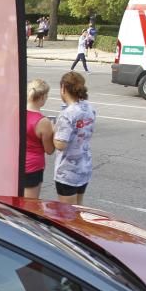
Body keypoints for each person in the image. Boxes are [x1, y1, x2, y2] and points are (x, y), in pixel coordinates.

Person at [53, 71, 96, 205]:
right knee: (78, 210)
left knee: (68, 214)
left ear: (63, 88)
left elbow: (61, 144)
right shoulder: (89, 108)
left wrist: (53, 130)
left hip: (68, 172)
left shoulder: (67, 114)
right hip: (85, 166)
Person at [24, 79, 55, 198]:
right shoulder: (43, 122)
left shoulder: (16, 113)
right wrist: (54, 131)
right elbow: (49, 150)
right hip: (33, 166)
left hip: (15, 163)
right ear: (42, 97)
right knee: (29, 205)